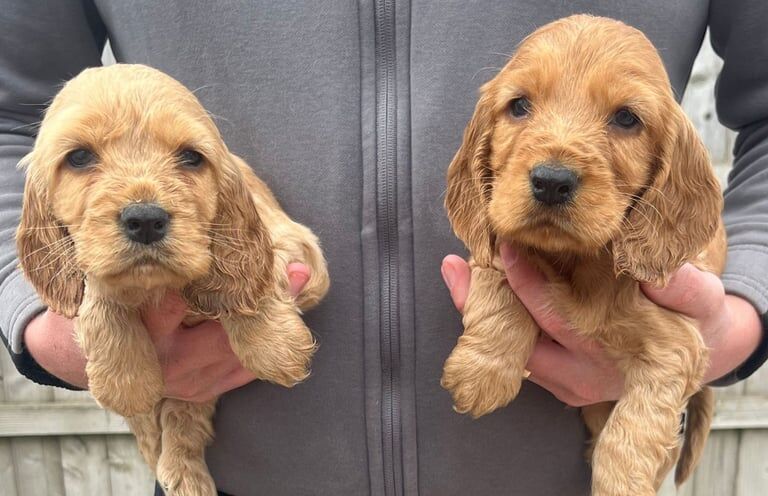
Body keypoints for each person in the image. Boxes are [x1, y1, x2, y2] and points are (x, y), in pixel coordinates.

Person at [1, 2, 767, 495]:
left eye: (624, 119)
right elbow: (11, 119)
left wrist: (738, 315)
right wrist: (45, 314)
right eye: (520, 107)